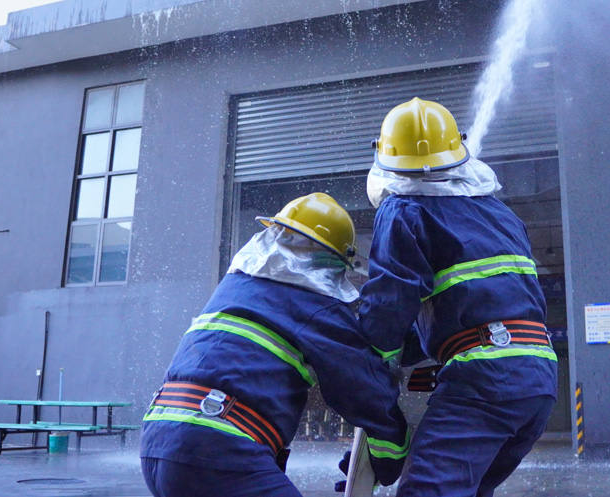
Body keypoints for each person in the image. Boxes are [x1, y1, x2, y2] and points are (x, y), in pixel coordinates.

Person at [140, 192, 410, 497]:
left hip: (157, 443)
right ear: (335, 260)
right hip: (217, 450)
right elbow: (365, 392)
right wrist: (387, 458)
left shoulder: (235, 286)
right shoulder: (317, 306)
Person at [359, 98, 558, 497]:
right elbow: (483, 300)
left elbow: (388, 305)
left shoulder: (403, 209)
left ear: (383, 156)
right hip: (538, 377)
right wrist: (410, 353)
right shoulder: (499, 213)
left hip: (484, 380)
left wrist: (368, 367)